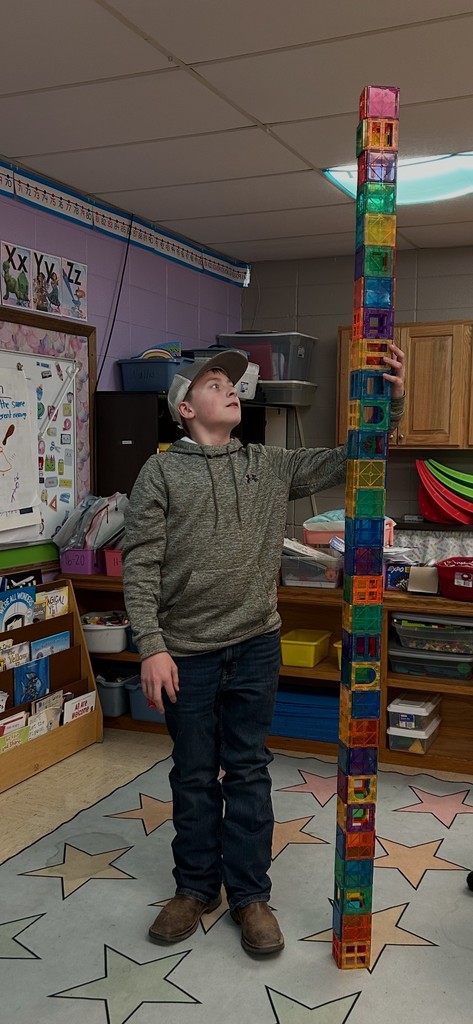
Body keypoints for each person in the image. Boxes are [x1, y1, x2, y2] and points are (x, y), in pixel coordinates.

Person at [122, 343, 405, 956]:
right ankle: (196, 887)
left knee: (248, 769)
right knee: (193, 773)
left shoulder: (268, 464)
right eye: (214, 382)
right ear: (184, 407)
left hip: (255, 644)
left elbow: (354, 457)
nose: (232, 388)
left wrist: (389, 403)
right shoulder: (160, 473)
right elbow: (140, 565)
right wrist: (151, 646)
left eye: (232, 382)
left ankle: (249, 894)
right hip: (186, 651)